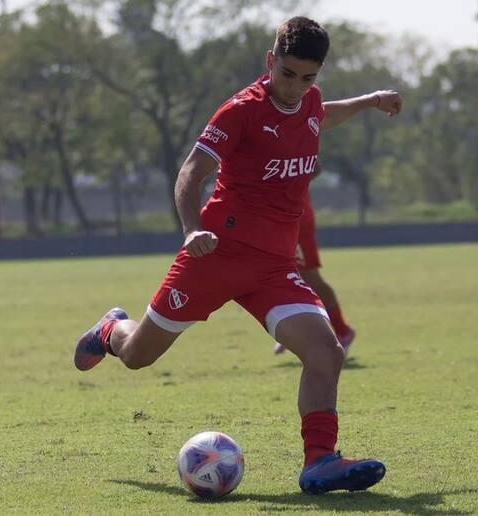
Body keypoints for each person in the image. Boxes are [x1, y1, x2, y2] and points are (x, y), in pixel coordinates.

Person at [74, 16, 402, 495]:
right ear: (270, 61)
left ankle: (319, 461)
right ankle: (110, 330)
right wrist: (192, 228)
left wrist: (370, 101)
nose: (295, 87)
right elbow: (191, 172)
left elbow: (322, 115)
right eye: (287, 74)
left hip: (273, 267)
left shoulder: (309, 101)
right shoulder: (240, 111)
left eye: (307, 77)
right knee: (138, 356)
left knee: (325, 352)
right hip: (216, 254)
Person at [273, 168, 355, 356]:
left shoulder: (292, 147)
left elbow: (314, 167)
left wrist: (286, 188)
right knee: (278, 275)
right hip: (272, 218)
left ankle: (343, 330)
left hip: (295, 217)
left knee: (310, 277)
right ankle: (296, 330)